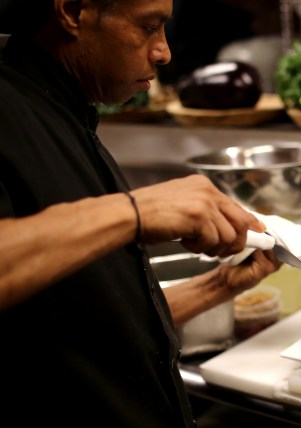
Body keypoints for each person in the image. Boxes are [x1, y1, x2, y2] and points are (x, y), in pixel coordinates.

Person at [0, 0, 282, 426]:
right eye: (148, 26)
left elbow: (75, 326)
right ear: (73, 11)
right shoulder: (8, 113)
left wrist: (218, 287)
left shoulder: (68, 112)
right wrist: (136, 210)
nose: (163, 51)